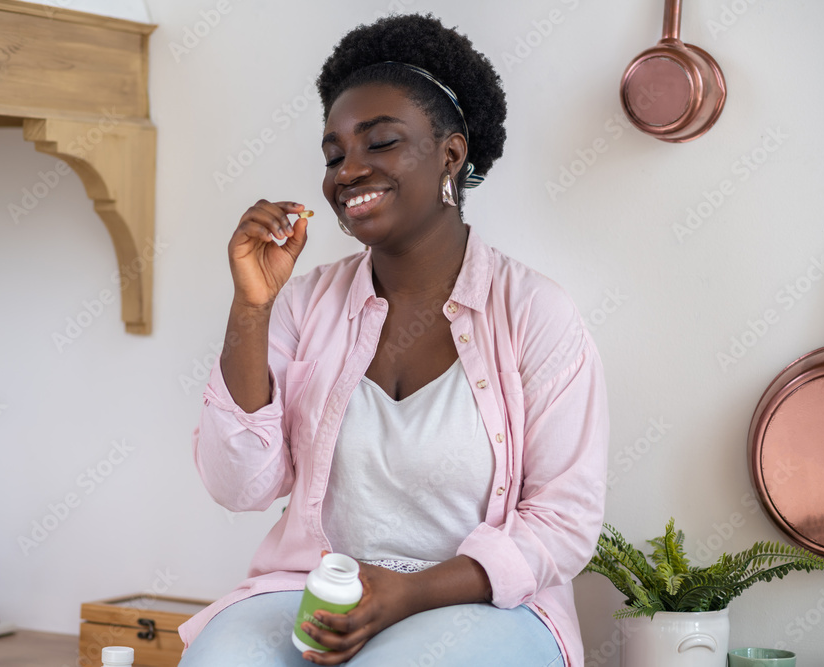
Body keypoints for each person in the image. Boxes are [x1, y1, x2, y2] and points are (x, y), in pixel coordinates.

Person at [179, 12, 609, 667]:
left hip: (480, 605)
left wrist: (408, 592)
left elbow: (565, 519)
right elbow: (239, 485)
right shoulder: (306, 303)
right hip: (318, 590)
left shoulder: (535, 313)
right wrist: (252, 306)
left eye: (379, 143)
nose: (348, 170)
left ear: (451, 153)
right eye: (334, 154)